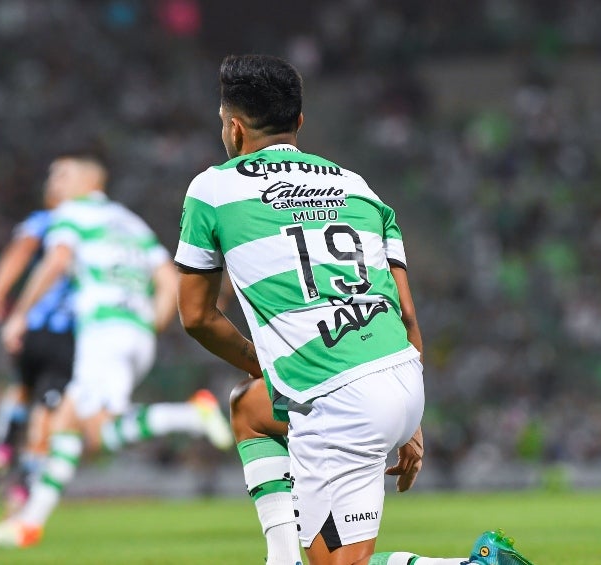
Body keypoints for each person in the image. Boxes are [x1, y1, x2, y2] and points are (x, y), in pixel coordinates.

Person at [176, 54, 535, 565]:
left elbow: (196, 317)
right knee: (250, 409)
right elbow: (407, 315)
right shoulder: (357, 186)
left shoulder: (212, 189)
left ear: (234, 128)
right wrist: (409, 421)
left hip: (338, 402)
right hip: (401, 377)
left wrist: (271, 364)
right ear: (299, 122)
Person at [0, 153, 233, 548]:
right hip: (134, 334)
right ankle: (29, 523)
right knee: (74, 425)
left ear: (87, 183)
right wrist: (149, 323)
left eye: (61, 175)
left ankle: (189, 415)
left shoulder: (73, 214)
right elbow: (169, 279)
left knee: (90, 431)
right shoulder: (131, 223)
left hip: (102, 332)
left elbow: (57, 260)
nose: (54, 182)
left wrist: (19, 313)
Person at [0, 179, 77, 515]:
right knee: (48, 408)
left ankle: (3, 447)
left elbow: (18, 252)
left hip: (33, 325)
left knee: (21, 386)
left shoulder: (45, 221)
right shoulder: (90, 226)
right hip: (71, 331)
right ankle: (25, 482)